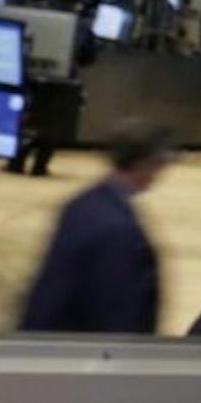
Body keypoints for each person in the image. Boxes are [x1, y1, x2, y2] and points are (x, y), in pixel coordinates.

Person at [18, 121, 174, 335]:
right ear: (144, 163)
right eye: (158, 164)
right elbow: (116, 312)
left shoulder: (81, 203)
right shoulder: (119, 231)